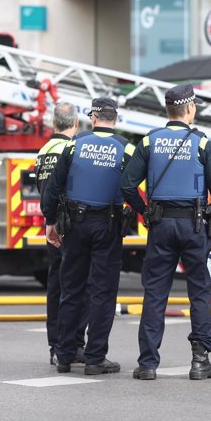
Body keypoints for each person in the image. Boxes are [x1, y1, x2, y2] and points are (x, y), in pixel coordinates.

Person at [121, 83, 211, 381]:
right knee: (199, 291)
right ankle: (200, 361)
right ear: (191, 108)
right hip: (194, 225)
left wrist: (144, 210)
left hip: (160, 225)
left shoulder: (149, 142)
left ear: (168, 109)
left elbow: (127, 184)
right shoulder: (202, 143)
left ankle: (147, 364)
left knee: (155, 292)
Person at [41, 97, 135, 375]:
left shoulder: (73, 145)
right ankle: (95, 358)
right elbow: (135, 184)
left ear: (93, 118)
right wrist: (142, 213)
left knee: (71, 289)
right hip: (108, 224)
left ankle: (65, 355)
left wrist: (50, 222)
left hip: (75, 225)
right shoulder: (127, 148)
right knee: (102, 293)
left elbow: (53, 187)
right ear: (115, 119)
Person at [35, 102, 87, 366]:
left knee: (56, 287)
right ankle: (74, 344)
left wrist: (49, 220)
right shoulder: (73, 149)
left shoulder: (43, 151)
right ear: (76, 124)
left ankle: (56, 345)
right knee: (78, 287)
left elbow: (43, 188)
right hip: (71, 227)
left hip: (52, 226)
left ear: (53, 124)